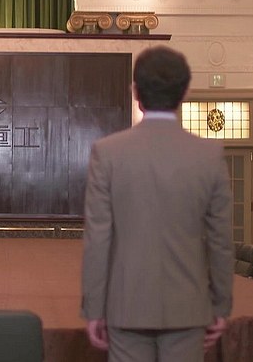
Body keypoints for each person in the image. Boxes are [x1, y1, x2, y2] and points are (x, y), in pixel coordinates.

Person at [81, 45, 234, 362]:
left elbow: (98, 239)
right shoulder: (209, 156)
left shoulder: (107, 153)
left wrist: (94, 308)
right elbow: (220, 241)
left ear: (135, 92)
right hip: (188, 307)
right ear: (185, 93)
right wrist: (221, 306)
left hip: (126, 306)